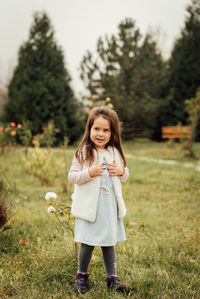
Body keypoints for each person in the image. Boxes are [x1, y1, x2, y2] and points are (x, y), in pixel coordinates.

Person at [68, 107, 129, 294]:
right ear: (89, 129)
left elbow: (124, 173)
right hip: (89, 207)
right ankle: (81, 275)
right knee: (87, 241)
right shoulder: (83, 151)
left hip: (109, 206)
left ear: (112, 132)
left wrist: (122, 172)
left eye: (106, 130)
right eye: (97, 129)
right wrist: (88, 173)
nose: (101, 134)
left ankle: (112, 277)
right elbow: (72, 176)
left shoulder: (115, 152)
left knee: (109, 241)